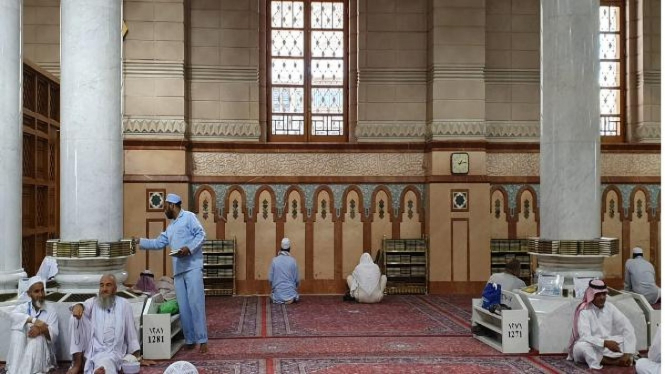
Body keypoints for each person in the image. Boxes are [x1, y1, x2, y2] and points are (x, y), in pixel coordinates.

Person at [136, 193, 208, 353]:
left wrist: (188, 248)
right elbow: (157, 243)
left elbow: (201, 235)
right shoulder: (171, 227)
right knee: (183, 307)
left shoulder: (189, 217)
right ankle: (190, 340)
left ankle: (202, 340)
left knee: (196, 304)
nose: (164, 209)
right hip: (179, 271)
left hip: (193, 267)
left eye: (166, 206)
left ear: (173, 205)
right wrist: (138, 241)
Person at [67, 274, 154, 374]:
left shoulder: (124, 305)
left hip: (113, 352)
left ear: (115, 289)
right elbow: (83, 306)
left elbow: (131, 333)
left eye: (108, 285)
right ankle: (77, 363)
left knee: (106, 363)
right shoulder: (93, 302)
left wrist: (136, 357)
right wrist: (78, 306)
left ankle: (98, 371)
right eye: (101, 285)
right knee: (75, 318)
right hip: (93, 349)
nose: (104, 289)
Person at [567, 279, 637, 369]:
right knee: (582, 347)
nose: (602, 297)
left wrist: (627, 353)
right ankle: (615, 361)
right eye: (598, 295)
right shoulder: (584, 311)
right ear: (591, 295)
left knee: (625, 341)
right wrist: (605, 343)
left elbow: (627, 326)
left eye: (604, 294)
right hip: (591, 344)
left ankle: (625, 357)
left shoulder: (610, 307)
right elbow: (585, 336)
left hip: (607, 344)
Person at [6, 276, 58, 374]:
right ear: (29, 294)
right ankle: (14, 371)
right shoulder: (24, 307)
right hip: (24, 347)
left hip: (44, 352)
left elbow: (54, 336)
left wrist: (41, 330)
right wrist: (33, 320)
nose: (41, 294)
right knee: (17, 334)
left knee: (37, 339)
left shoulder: (51, 310)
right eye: (36, 291)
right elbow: (13, 316)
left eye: (42, 290)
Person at [269, 237, 300, 304]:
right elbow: (297, 281)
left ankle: (278, 299)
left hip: (277, 293)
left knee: (273, 295)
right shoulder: (293, 261)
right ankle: (290, 299)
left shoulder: (274, 260)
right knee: (294, 294)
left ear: (281, 247)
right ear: (289, 248)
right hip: (290, 293)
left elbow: (270, 280)